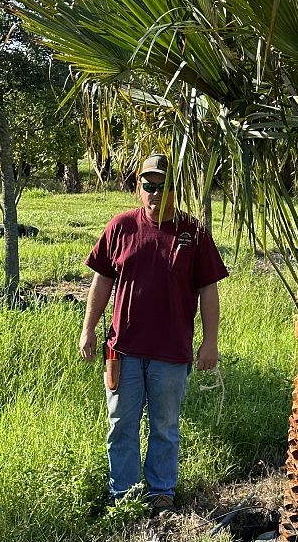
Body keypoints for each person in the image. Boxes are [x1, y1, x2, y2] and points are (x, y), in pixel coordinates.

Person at [78, 153, 228, 515]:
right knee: (121, 425)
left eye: (163, 186)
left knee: (164, 426)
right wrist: (88, 329)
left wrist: (210, 342)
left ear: (177, 189)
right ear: (138, 187)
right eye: (148, 185)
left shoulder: (194, 234)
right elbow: (101, 281)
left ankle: (161, 493)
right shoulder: (120, 227)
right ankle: (124, 496)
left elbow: (209, 290)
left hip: (171, 352)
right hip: (123, 350)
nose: (155, 193)